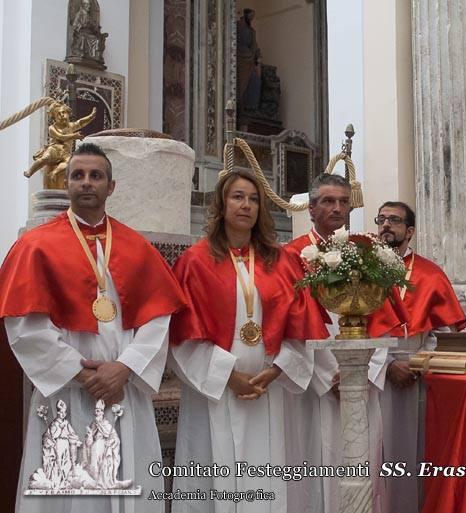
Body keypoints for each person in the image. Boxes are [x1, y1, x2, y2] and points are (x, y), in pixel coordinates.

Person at [0, 142, 186, 512]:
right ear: (66, 184)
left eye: (95, 175)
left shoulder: (136, 247)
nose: (87, 183)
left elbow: (157, 319)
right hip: (67, 397)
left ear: (111, 187)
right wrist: (83, 376)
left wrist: (124, 368)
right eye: (78, 175)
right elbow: (26, 326)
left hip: (123, 393)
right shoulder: (37, 247)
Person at [168, 169, 328, 513]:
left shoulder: (281, 262)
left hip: (266, 393)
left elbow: (301, 328)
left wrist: (275, 371)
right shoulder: (195, 262)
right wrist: (229, 376)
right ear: (221, 204)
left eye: (254, 199)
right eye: (238, 197)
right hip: (214, 392)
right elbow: (182, 336)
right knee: (211, 474)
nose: (246, 205)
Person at [283, 173, 398, 513]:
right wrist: (325, 376)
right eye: (328, 201)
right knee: (310, 463)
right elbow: (288, 324)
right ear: (312, 207)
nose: (337, 208)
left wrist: (363, 371)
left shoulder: (368, 252)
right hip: (312, 385)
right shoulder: (291, 256)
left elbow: (384, 317)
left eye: (343, 202)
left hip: (361, 377)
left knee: (362, 467)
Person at [369, 201, 466, 513]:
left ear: (410, 231)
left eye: (394, 221)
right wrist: (385, 364)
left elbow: (445, 334)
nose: (386, 225)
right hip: (374, 375)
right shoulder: (362, 272)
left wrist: (418, 363)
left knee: (417, 453)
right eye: (382, 219)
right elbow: (352, 328)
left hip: (418, 377)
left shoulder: (431, 274)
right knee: (374, 454)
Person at [236, 8, 262, 112]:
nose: (252, 17)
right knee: (240, 83)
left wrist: (257, 57)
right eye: (251, 15)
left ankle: (249, 108)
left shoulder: (252, 31)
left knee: (255, 81)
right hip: (239, 58)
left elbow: (255, 46)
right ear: (246, 14)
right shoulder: (238, 25)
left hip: (250, 59)